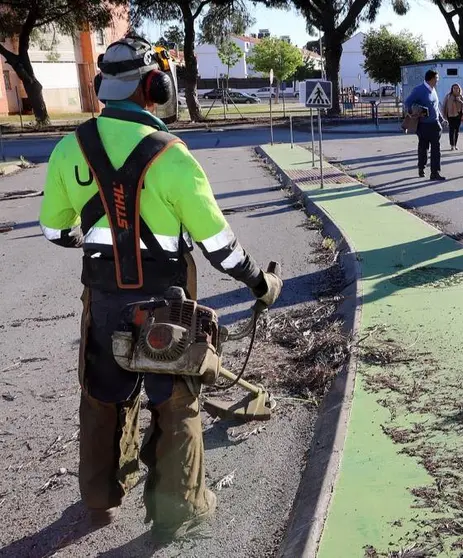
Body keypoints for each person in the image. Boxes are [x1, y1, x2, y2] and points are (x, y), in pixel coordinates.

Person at [37, 35, 282, 542]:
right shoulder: (173, 156)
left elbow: (56, 232)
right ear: (157, 87)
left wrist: (103, 235)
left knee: (102, 394)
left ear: (103, 86)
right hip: (165, 309)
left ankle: (101, 495)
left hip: (102, 303)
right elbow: (220, 247)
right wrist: (261, 284)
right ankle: (179, 511)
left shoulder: (68, 150)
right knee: (175, 402)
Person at [403, 69, 446, 180]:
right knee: (423, 148)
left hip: (435, 124)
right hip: (423, 125)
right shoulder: (419, 90)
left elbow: (435, 107)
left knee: (436, 149)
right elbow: (407, 102)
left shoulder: (433, 90)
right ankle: (421, 167)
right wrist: (415, 112)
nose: (438, 80)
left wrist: (442, 119)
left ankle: (435, 172)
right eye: (437, 78)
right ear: (431, 79)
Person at [443, 83, 463, 151]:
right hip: (450, 115)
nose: (456, 89)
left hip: (458, 115)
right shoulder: (448, 96)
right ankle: (452, 145)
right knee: (451, 130)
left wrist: (460, 101)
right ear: (452, 89)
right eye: (454, 88)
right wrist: (444, 116)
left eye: (457, 88)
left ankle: (455, 145)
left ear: (459, 89)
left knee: (457, 131)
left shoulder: (461, 96)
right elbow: (444, 106)